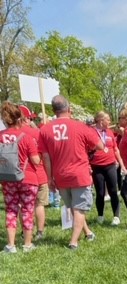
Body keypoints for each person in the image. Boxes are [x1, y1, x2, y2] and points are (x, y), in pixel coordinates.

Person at [38, 95, 103, 249]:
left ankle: (88, 232)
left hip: (60, 175)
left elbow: (45, 158)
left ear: (53, 110)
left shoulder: (44, 129)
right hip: (79, 173)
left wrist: (49, 178)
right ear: (68, 109)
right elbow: (100, 145)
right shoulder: (80, 126)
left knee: (74, 207)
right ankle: (73, 242)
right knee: (79, 207)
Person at [1, 101, 40, 253]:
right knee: (27, 210)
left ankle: (11, 245)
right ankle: (27, 244)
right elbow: (36, 161)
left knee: (11, 209)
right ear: (19, 119)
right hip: (28, 178)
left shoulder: (0, 136)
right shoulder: (26, 137)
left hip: (7, 179)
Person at [89, 111, 126, 226]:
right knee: (100, 193)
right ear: (101, 121)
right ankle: (100, 215)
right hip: (96, 166)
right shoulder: (91, 133)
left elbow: (116, 149)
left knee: (113, 191)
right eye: (108, 120)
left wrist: (122, 165)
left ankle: (116, 216)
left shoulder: (109, 133)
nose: (110, 122)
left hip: (110, 165)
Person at [19, 105, 49, 241]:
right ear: (26, 118)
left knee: (23, 205)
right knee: (39, 204)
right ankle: (40, 232)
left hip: (21, 175)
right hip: (40, 172)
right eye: (30, 118)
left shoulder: (13, 133)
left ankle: (24, 230)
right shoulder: (36, 133)